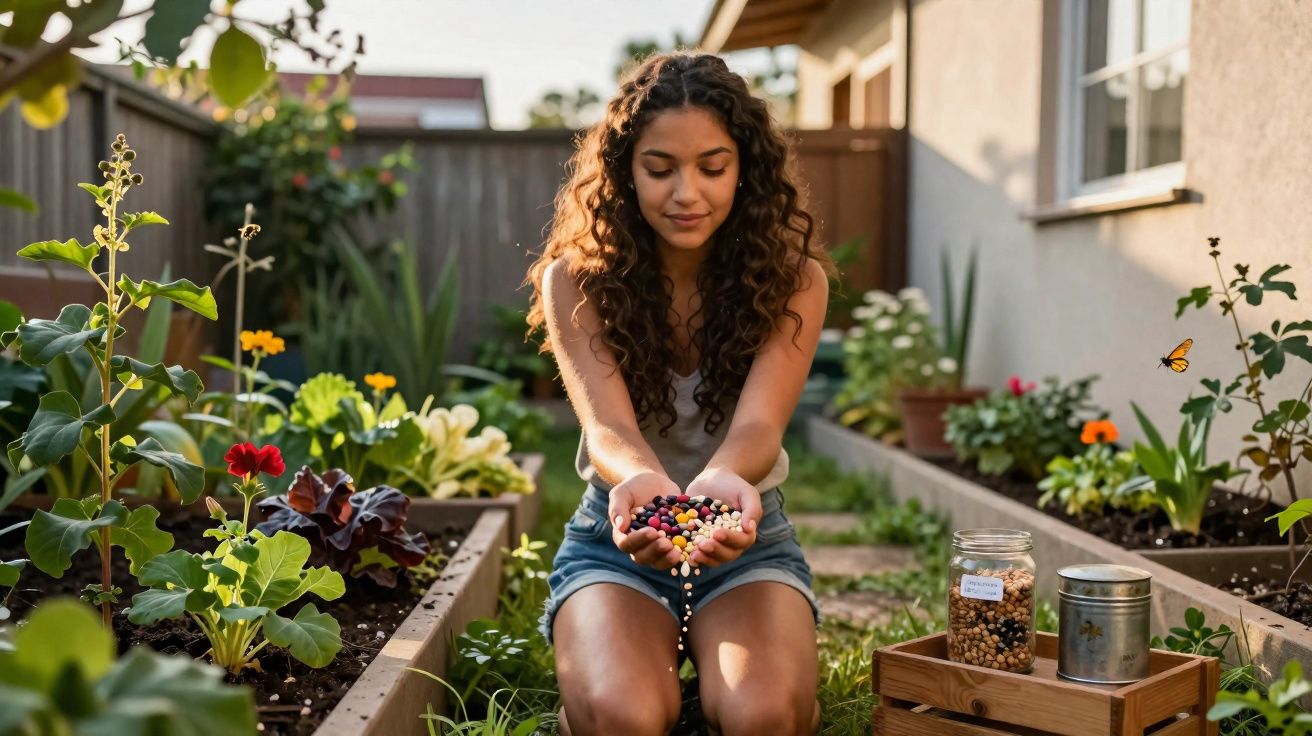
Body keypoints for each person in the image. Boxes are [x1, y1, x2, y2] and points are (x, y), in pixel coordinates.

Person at [526, 51, 833, 736]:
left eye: (712, 168)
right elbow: (607, 430)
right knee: (624, 716)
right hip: (618, 536)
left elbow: (758, 428)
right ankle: (634, 655)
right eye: (660, 169)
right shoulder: (575, 280)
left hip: (745, 539)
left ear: (745, 169)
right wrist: (644, 485)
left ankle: (716, 659)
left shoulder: (796, 282)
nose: (686, 192)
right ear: (625, 173)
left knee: (765, 716)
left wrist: (721, 480)